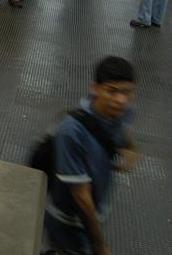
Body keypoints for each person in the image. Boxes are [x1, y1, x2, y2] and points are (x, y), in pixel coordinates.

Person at [44, 57, 137, 255]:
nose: (120, 100)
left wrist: (131, 148)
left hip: (96, 211)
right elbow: (82, 199)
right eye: (111, 90)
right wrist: (100, 246)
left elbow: (123, 130)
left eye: (126, 92)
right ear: (94, 88)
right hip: (67, 220)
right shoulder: (71, 132)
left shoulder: (123, 109)